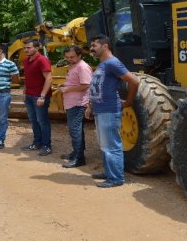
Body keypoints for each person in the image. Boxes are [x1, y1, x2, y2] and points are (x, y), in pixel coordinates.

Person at [85, 34, 139, 188]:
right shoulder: (103, 64)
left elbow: (134, 81)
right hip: (100, 110)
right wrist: (90, 106)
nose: (91, 48)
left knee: (111, 145)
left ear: (105, 46)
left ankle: (116, 178)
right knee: (104, 145)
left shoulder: (113, 63)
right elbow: (96, 88)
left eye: (94, 45)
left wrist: (128, 102)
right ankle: (109, 172)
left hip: (109, 110)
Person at [59, 46, 92, 168]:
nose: (69, 59)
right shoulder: (74, 65)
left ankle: (79, 158)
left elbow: (86, 85)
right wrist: (66, 85)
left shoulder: (82, 67)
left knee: (75, 131)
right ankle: (76, 153)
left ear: (80, 55)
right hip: (71, 102)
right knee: (75, 130)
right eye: (67, 57)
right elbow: (76, 82)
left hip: (78, 103)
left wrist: (67, 88)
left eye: (72, 57)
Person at [20, 39, 54, 156]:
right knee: (34, 121)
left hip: (39, 97)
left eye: (29, 48)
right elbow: (28, 77)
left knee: (42, 121)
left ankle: (47, 146)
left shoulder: (42, 60)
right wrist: (25, 91)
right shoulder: (26, 60)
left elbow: (49, 79)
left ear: (37, 48)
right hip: (29, 96)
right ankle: (37, 143)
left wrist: (42, 96)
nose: (26, 50)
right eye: (24, 48)